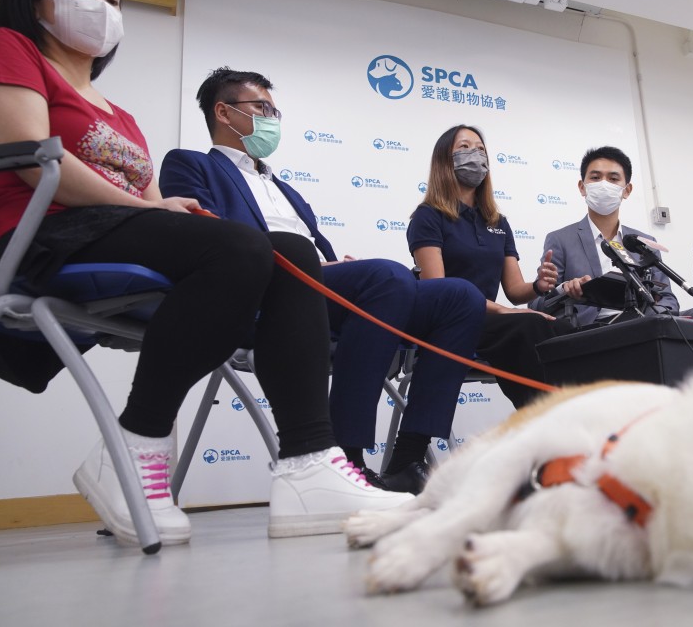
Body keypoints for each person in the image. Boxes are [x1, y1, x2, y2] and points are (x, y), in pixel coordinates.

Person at [0, 0, 411, 545]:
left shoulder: (119, 113)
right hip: (34, 236)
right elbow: (30, 155)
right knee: (239, 247)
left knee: (285, 252)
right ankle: (137, 442)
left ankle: (308, 463)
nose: (100, 9)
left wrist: (157, 208)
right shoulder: (10, 47)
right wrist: (149, 208)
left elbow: (156, 202)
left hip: (104, 233)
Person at [159, 69, 485, 494]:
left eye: (275, 110)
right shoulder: (191, 164)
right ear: (223, 112)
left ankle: (408, 458)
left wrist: (335, 266)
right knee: (386, 276)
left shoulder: (285, 188)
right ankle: (345, 459)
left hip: (323, 294)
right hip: (266, 295)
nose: (272, 118)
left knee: (459, 296)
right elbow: (209, 241)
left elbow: (319, 253)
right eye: (262, 108)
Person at [407, 125, 571, 409]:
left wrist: (537, 286)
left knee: (563, 328)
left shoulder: (498, 222)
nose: (476, 154)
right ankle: (544, 422)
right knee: (528, 325)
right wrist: (504, 310)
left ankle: (568, 418)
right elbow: (441, 291)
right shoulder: (428, 216)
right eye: (465, 147)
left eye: (481, 149)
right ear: (445, 159)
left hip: (491, 322)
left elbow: (515, 291)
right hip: (450, 321)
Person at [530, 145, 693, 326]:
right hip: (593, 328)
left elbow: (669, 299)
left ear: (626, 190)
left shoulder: (643, 243)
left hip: (644, 323)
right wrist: (564, 290)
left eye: (613, 179)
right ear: (582, 187)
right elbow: (537, 304)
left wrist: (657, 312)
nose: (604, 184)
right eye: (595, 177)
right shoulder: (560, 239)